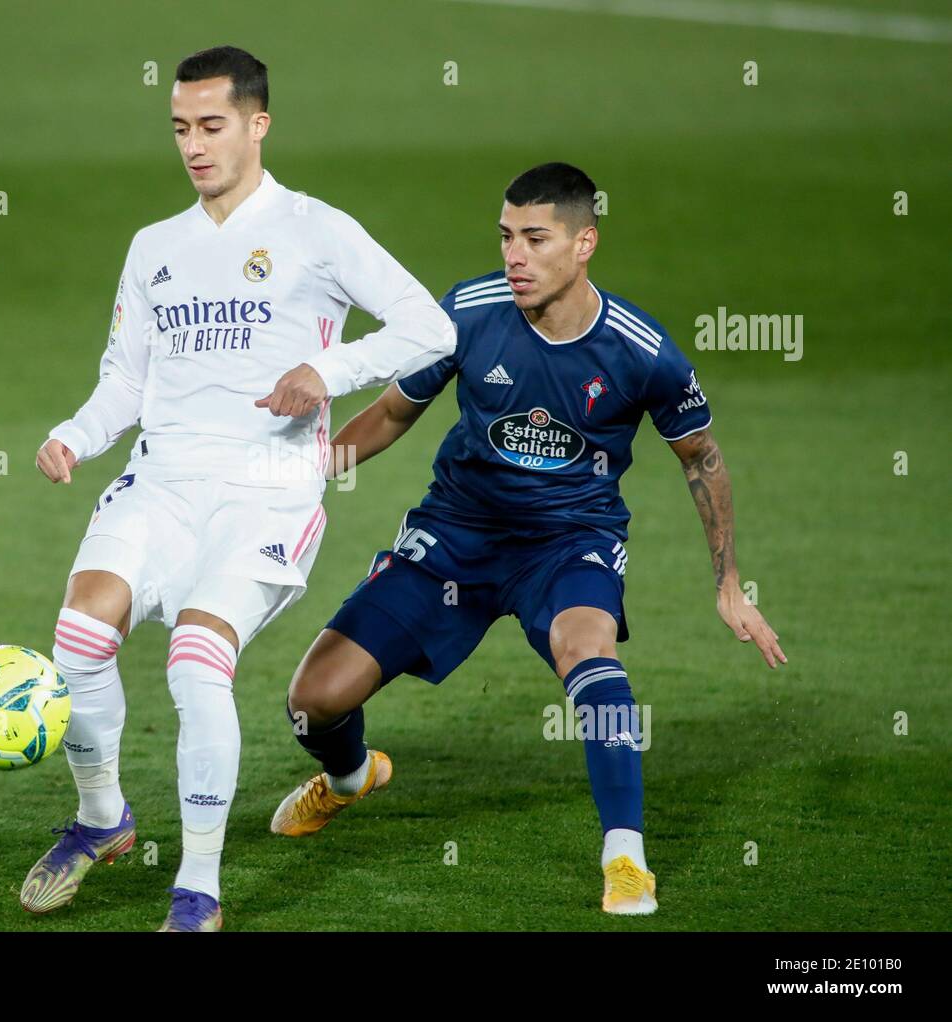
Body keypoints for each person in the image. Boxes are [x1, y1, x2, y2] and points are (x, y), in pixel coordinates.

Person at [270, 162, 786, 916]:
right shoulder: (468, 313)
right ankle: (350, 777)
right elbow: (390, 413)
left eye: (534, 238)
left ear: (584, 244)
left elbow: (701, 456)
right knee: (312, 700)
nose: (514, 254)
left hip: (567, 543)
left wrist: (728, 584)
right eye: (506, 235)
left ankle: (626, 859)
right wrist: (302, 476)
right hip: (456, 534)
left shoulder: (642, 351)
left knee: (591, 654)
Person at [21, 45, 455, 931]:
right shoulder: (155, 249)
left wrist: (327, 372)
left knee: (194, 662)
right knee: (76, 638)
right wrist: (74, 433)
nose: (194, 145)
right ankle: (104, 820)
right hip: (162, 482)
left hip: (266, 491)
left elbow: (429, 327)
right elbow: (125, 382)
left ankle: (200, 887)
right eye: (180, 128)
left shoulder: (315, 229)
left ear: (258, 124)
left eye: (211, 126)